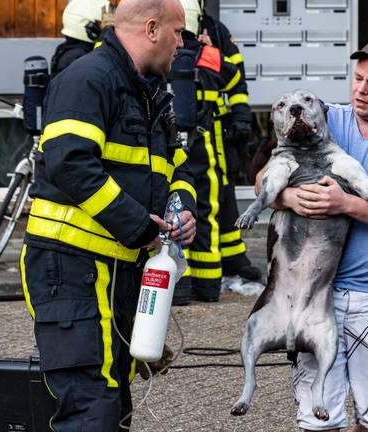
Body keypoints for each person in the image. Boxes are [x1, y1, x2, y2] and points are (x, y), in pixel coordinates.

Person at [19, 0, 197, 430]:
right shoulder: (87, 80)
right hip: (70, 268)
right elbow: (69, 163)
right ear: (152, 29)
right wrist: (140, 228)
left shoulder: (149, 91)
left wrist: (182, 209)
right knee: (91, 407)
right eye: (178, 33)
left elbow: (177, 167)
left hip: (118, 269)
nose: (182, 44)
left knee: (114, 402)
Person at [260, 38, 368, 431]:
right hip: (314, 299)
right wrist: (290, 196)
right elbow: (263, 178)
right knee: (318, 421)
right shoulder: (325, 118)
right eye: (357, 79)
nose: (360, 90)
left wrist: (345, 204)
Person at [196, 0, 261, 281]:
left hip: (220, 129)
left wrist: (242, 119)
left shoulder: (216, 30)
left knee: (225, 193)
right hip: (197, 130)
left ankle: (233, 256)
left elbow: (237, 79)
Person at [50, 0, 109, 78]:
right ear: (91, 28)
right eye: (102, 24)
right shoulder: (76, 58)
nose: (109, 29)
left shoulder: (76, 52)